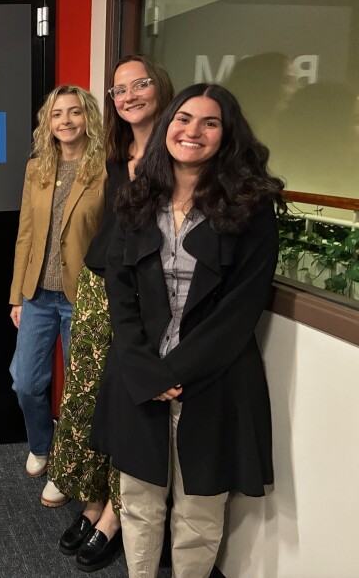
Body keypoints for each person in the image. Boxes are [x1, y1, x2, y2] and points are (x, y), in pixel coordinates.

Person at [91, 84, 284, 577]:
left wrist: (174, 371)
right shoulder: (135, 199)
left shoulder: (252, 208)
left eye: (209, 122)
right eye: (183, 119)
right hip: (140, 374)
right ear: (167, 126)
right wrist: (143, 369)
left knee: (198, 511)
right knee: (138, 502)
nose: (192, 131)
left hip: (213, 380)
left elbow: (240, 312)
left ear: (227, 134)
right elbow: (120, 289)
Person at [47, 55, 174, 572]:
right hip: (102, 286)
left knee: (127, 405)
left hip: (147, 296)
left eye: (139, 84)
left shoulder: (178, 152)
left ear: (160, 88)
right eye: (120, 89)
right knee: (86, 400)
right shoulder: (117, 154)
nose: (129, 96)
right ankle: (94, 503)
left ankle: (117, 519)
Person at [7, 85, 106, 489]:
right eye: (56, 114)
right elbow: (25, 236)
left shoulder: (106, 169)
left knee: (81, 390)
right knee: (26, 382)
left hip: (82, 296)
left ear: (89, 118)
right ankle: (42, 444)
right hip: (37, 296)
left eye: (74, 112)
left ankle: (68, 468)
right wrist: (16, 295)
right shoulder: (38, 168)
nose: (65, 121)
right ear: (47, 123)